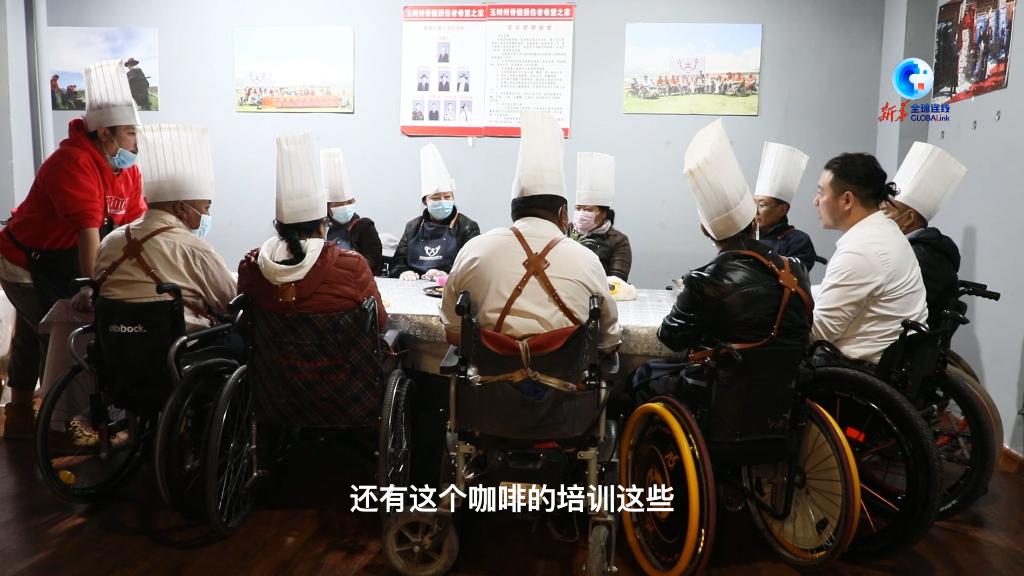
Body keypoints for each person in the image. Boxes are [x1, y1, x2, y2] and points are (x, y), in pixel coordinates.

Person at [0, 59, 145, 439]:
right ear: (105, 133)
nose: (136, 143)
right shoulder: (73, 162)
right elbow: (87, 233)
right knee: (56, 339)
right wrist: (91, 284)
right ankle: (58, 426)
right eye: (130, 134)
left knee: (32, 335)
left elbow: (133, 227)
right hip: (23, 261)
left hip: (60, 260)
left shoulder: (126, 169)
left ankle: (19, 417)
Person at [634, 119, 812, 402]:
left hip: (719, 392)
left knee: (642, 377)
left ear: (705, 230)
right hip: (784, 396)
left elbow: (671, 337)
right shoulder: (796, 269)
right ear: (754, 220)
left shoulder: (704, 281)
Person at [440, 110, 621, 357]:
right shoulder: (586, 260)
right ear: (563, 214)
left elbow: (453, 333)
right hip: (564, 381)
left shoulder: (474, 249)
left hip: (489, 379)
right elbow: (608, 342)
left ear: (514, 211)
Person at [90, 124, 235, 331]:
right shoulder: (193, 248)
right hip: (184, 347)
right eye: (205, 208)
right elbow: (231, 301)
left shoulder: (109, 241)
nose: (207, 216)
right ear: (181, 208)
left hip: (114, 346)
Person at [238, 132, 386, 327]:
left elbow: (244, 318)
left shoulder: (251, 265)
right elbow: (379, 322)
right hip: (336, 348)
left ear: (279, 227)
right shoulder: (352, 265)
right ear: (322, 226)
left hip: (270, 347)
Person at [812, 152, 927, 363]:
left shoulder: (861, 251)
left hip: (855, 368)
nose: (815, 201)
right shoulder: (885, 229)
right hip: (897, 357)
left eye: (821, 192)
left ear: (847, 200)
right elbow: (837, 290)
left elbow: (819, 333)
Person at [884, 142, 967, 330]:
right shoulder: (917, 248)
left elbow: (898, 310)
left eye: (886, 212)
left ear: (908, 218)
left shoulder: (922, 257)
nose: (880, 219)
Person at [392, 144, 480, 281]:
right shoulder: (412, 227)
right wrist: (404, 272)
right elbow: (397, 263)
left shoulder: (467, 226)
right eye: (436, 198)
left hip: (448, 287)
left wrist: (445, 273)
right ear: (425, 201)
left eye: (447, 197)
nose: (442, 201)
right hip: (413, 286)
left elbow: (474, 266)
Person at [754, 142, 820, 270]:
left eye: (762, 205)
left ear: (782, 209)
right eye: (753, 204)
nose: (754, 211)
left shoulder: (798, 241)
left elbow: (795, 275)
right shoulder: (744, 236)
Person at [569, 152, 632, 281]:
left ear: (603, 214)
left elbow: (617, 281)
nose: (581, 213)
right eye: (578, 208)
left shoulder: (618, 240)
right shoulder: (566, 230)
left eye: (588, 210)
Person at [322, 148, 383, 275]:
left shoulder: (364, 226)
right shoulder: (320, 228)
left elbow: (373, 261)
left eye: (349, 202)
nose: (345, 207)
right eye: (338, 204)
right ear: (327, 206)